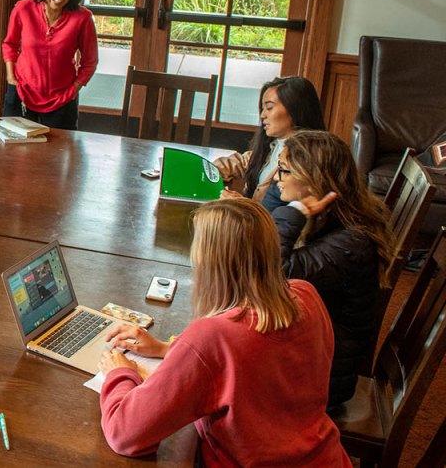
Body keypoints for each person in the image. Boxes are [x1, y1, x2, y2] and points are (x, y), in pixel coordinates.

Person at [97, 199, 349, 466]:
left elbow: (125, 434)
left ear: (208, 263)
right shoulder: (306, 295)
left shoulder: (212, 336)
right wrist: (168, 349)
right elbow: (255, 363)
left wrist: (120, 374)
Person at [271, 130, 397, 408]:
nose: (277, 178)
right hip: (318, 350)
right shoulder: (334, 219)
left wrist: (293, 210)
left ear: (313, 176)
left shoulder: (351, 241)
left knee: (216, 348)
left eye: (284, 170)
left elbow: (274, 273)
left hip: (323, 374)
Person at [1, 0, 98, 130]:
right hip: (21, 92)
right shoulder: (23, 9)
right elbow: (9, 44)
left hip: (62, 98)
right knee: (14, 153)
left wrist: (74, 90)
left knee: (57, 153)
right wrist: (11, 79)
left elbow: (90, 61)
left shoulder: (83, 18)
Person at [214, 76, 325, 211]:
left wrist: (242, 205)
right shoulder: (276, 144)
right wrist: (212, 169)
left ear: (295, 109)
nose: (262, 115)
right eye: (263, 108)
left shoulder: (307, 158)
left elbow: (282, 218)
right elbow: (246, 161)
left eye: (269, 108)